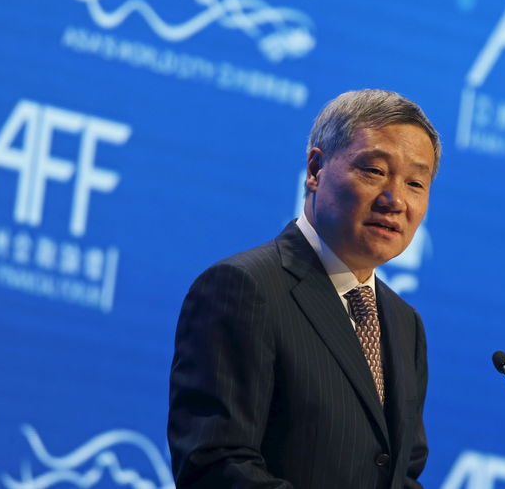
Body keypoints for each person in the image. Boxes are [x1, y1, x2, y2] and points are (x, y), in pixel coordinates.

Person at [168, 89, 441, 489]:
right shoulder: (244, 288)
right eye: (375, 171)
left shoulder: (405, 324)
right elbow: (215, 463)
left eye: (416, 183)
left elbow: (403, 474)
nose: (395, 200)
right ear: (315, 169)